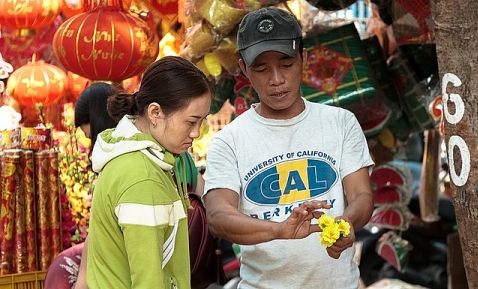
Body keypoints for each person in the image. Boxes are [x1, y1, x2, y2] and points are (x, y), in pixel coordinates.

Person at [203, 7, 374, 288]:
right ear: (244, 69)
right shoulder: (229, 140)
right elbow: (218, 217)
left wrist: (346, 223)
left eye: (286, 64)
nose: (276, 79)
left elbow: (362, 196)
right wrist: (278, 230)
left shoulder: (341, 123)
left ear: (304, 59)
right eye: (261, 68)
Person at [86, 55, 213, 289]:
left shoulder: (135, 158)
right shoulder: (142, 176)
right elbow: (148, 281)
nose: (196, 132)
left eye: (201, 122)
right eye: (191, 121)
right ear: (155, 112)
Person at [44, 82, 119, 289]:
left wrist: (81, 283)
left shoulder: (118, 162)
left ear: (97, 122)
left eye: (89, 135)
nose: (88, 141)